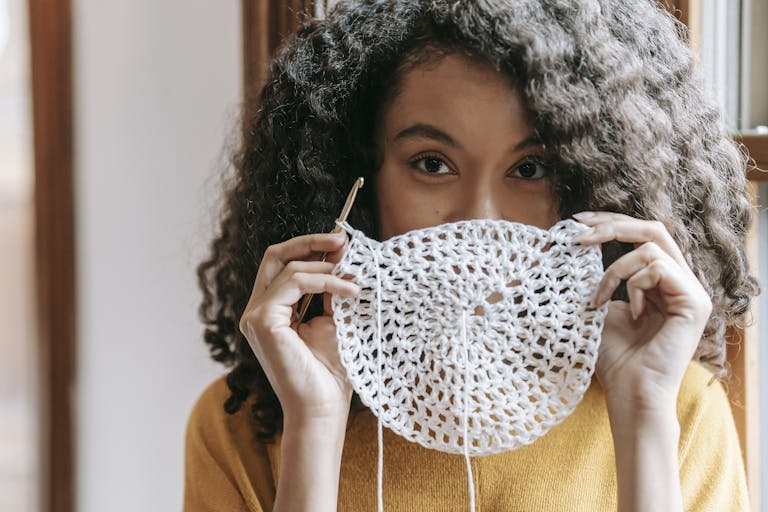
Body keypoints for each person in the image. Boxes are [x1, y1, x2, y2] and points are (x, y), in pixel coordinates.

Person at [184, 1, 759, 510]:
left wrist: (643, 418)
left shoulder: (674, 406)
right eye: (432, 163)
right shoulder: (245, 428)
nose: (480, 218)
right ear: (352, 178)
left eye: (529, 170)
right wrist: (313, 426)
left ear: (593, 187)